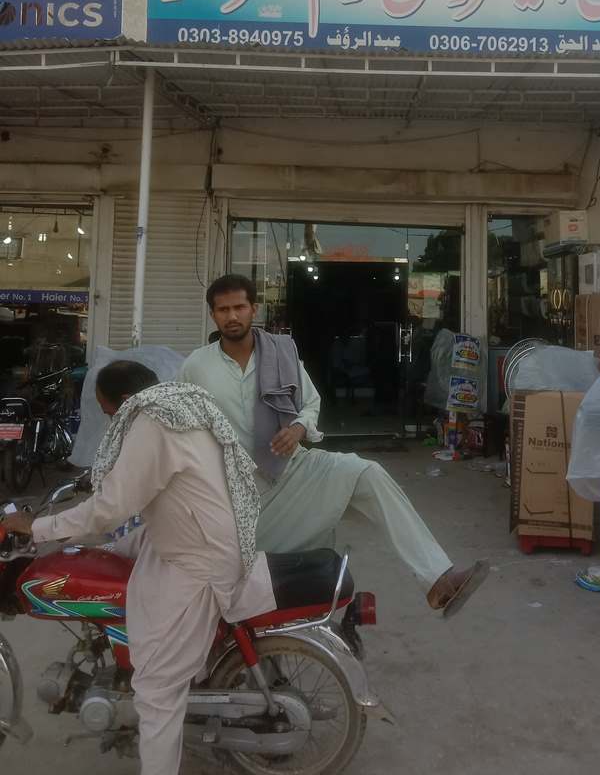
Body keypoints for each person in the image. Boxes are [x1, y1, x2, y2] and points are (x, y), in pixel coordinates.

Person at [2, 360, 274, 775]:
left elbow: (108, 510)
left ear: (127, 401)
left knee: (156, 690)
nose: (112, 421)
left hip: (198, 558)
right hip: (193, 534)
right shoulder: (181, 403)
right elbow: (133, 477)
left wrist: (36, 527)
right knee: (106, 551)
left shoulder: (152, 422)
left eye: (109, 412)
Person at [180, 274, 488, 617]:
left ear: (254, 308)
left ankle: (438, 580)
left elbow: (310, 403)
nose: (232, 316)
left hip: (292, 466)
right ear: (213, 315)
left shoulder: (282, 353)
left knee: (367, 472)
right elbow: (180, 427)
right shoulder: (196, 367)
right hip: (240, 491)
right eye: (223, 310)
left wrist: (298, 427)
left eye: (239, 307)